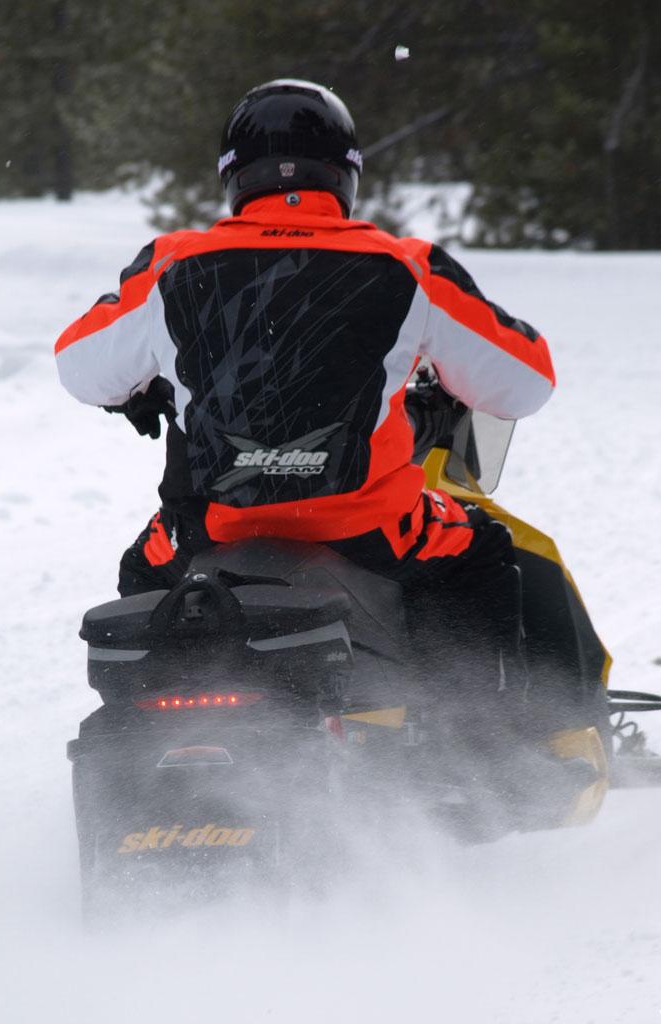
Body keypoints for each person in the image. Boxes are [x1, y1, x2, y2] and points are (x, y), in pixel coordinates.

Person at [54, 79, 555, 700]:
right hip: (367, 531)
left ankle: (154, 709)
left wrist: (135, 389)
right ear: (345, 175)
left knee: (143, 568)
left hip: (216, 532)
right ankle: (482, 751)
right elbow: (525, 384)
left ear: (233, 177)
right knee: (481, 551)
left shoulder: (172, 264)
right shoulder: (405, 267)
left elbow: (79, 367)